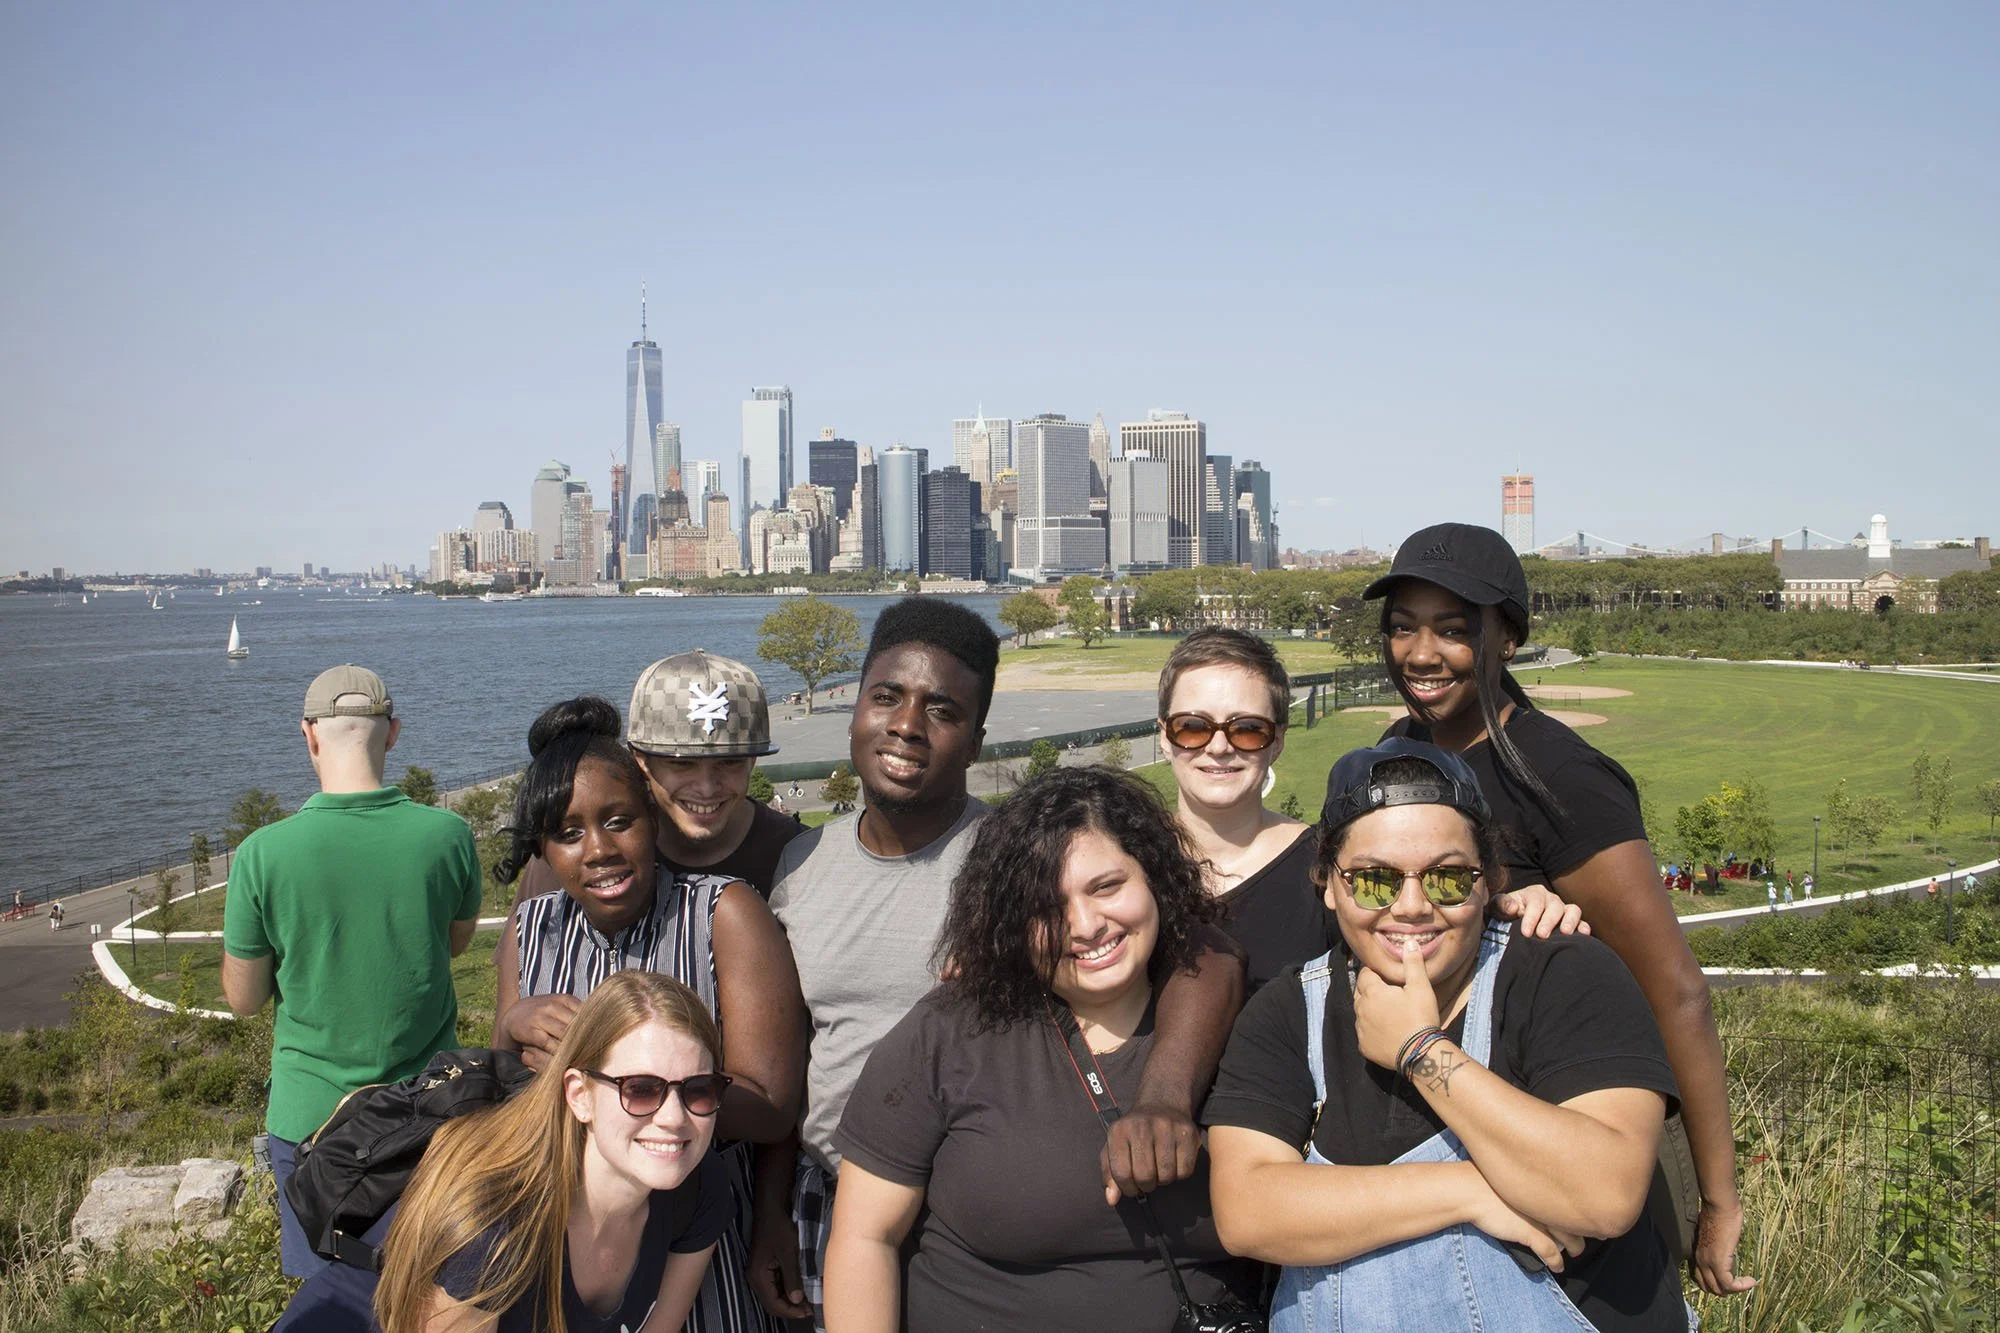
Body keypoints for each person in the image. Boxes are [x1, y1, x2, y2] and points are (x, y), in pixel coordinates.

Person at [754, 599, 1243, 1327]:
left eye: (941, 709)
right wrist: (774, 1211)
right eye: (885, 696)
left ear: (977, 739)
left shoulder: (1019, 860)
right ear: (854, 705)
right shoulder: (800, 862)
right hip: (842, 1188)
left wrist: (1166, 1093)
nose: (906, 726)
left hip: (978, 1188)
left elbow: (1206, 949)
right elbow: (796, 1057)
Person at [1365, 523, 1750, 1297]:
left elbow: (1675, 988)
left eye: (1452, 627)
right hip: (1437, 1136)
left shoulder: (1562, 774)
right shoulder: (1402, 748)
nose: (1421, 653)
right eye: (1404, 626)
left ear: (1506, 636)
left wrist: (1719, 1196)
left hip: (1556, 1147)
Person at [1206, 740, 1689, 1332]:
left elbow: (1604, 1194)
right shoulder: (1288, 1012)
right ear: (1328, 884)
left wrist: (1420, 1051)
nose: (1412, 907)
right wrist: (1470, 1192)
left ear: (1490, 881)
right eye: (1375, 881)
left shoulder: (1564, 975)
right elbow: (1247, 1212)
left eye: (1448, 878)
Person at [826, 768, 1259, 1330]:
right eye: (1045, 907)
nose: (1084, 925)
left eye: (1106, 887)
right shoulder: (948, 1032)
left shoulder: (1246, 1020)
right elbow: (865, 1237)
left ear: (1153, 877)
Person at [491, 697, 805, 1333]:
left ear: (653, 819)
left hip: (704, 1236)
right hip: (572, 1248)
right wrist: (510, 1026)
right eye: (569, 834)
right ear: (544, 850)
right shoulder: (530, 932)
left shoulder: (724, 915)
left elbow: (773, 1105)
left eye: (619, 821)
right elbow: (504, 1093)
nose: (599, 850)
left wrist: (633, 1086)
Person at [276, 971, 734, 1332]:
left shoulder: (699, 1186)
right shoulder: (493, 1224)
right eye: (640, 1089)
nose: (674, 1118)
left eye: (698, 1090)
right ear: (579, 1095)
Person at [222, 665, 482, 1280]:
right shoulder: (447, 835)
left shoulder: (263, 852)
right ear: (392, 733)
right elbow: (454, 946)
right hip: (424, 1112)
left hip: (309, 1118)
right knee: (426, 1288)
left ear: (309, 735)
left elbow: (244, 999)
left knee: (326, 1295)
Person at [1159, 628, 1583, 995]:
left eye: (1247, 729)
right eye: (1192, 726)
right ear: (1164, 735)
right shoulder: (1123, 867)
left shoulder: (1332, 868)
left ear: (1277, 741)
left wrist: (1516, 904)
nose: (1218, 746)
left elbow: (1424, 916)